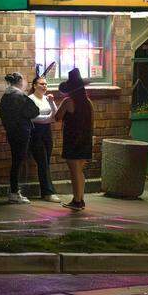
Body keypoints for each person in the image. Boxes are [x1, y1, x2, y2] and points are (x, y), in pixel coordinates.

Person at [54, 68, 94, 210]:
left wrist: (53, 104)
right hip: (85, 139)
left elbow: (57, 117)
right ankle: (80, 199)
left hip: (72, 140)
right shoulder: (88, 102)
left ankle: (77, 201)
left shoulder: (68, 101)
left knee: (74, 171)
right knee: (79, 171)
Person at [0, 72, 39, 203]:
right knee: (18, 162)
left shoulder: (6, 96)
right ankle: (15, 192)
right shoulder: (19, 95)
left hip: (11, 132)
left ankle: (14, 191)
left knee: (16, 161)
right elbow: (34, 111)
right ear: (20, 81)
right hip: (21, 132)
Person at [27, 75, 61, 202]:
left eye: (46, 84)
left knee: (46, 162)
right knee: (42, 161)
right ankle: (48, 192)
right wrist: (48, 118)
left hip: (47, 132)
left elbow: (56, 114)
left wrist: (52, 102)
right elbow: (32, 117)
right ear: (35, 86)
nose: (44, 86)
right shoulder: (30, 99)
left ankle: (46, 191)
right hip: (36, 132)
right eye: (41, 84)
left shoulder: (47, 99)